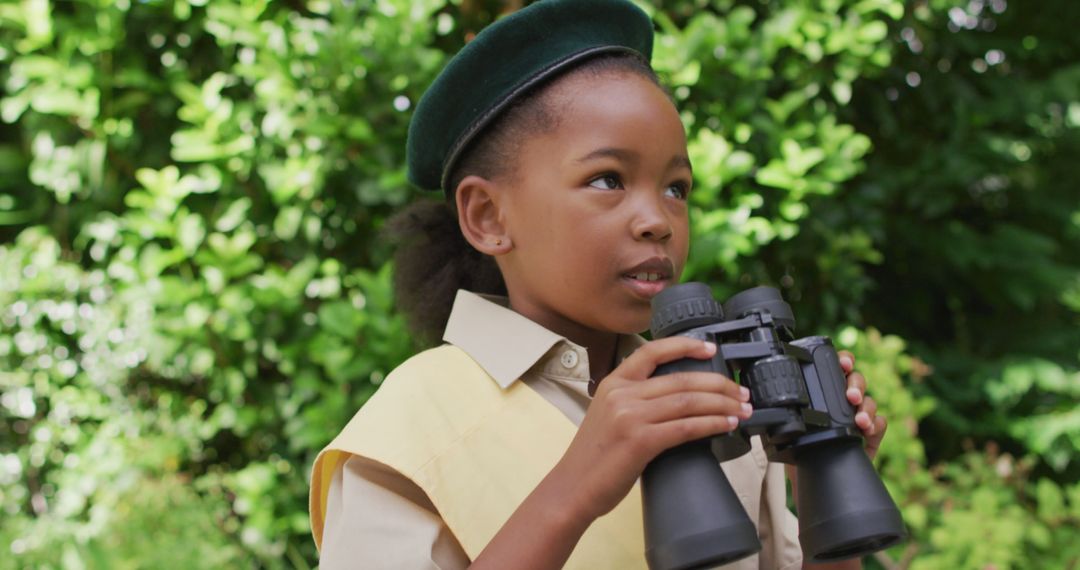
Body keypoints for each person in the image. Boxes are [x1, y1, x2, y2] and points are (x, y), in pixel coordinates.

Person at [308, 1, 888, 568]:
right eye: (608, 179)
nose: (657, 220)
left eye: (676, 188)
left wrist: (826, 499)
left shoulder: (709, 400)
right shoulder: (415, 425)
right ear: (488, 216)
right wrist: (575, 489)